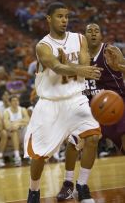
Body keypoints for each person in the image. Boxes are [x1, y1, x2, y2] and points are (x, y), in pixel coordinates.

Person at [24, 2, 103, 203]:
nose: (64, 20)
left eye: (66, 16)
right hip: (50, 103)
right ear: (49, 19)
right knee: (39, 156)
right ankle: (34, 191)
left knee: (93, 137)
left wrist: (83, 68)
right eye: (59, 16)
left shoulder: (79, 39)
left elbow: (85, 64)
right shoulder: (43, 46)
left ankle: (82, 186)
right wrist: (78, 69)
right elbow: (56, 67)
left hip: (76, 99)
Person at [57, 23, 125, 201]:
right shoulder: (77, 55)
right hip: (87, 107)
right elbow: (65, 81)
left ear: (101, 35)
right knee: (75, 140)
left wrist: (119, 66)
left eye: (97, 30)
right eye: (89, 31)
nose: (93, 33)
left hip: (115, 105)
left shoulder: (111, 52)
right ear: (84, 36)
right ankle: (70, 184)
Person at [3, 95, 29, 166]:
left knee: (28, 129)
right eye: (13, 100)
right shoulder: (6, 111)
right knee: (14, 131)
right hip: (11, 134)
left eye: (17, 100)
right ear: (10, 102)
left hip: (22, 131)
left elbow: (28, 120)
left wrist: (16, 123)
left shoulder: (23, 109)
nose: (16, 102)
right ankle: (17, 157)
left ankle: (29, 154)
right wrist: (21, 122)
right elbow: (7, 126)